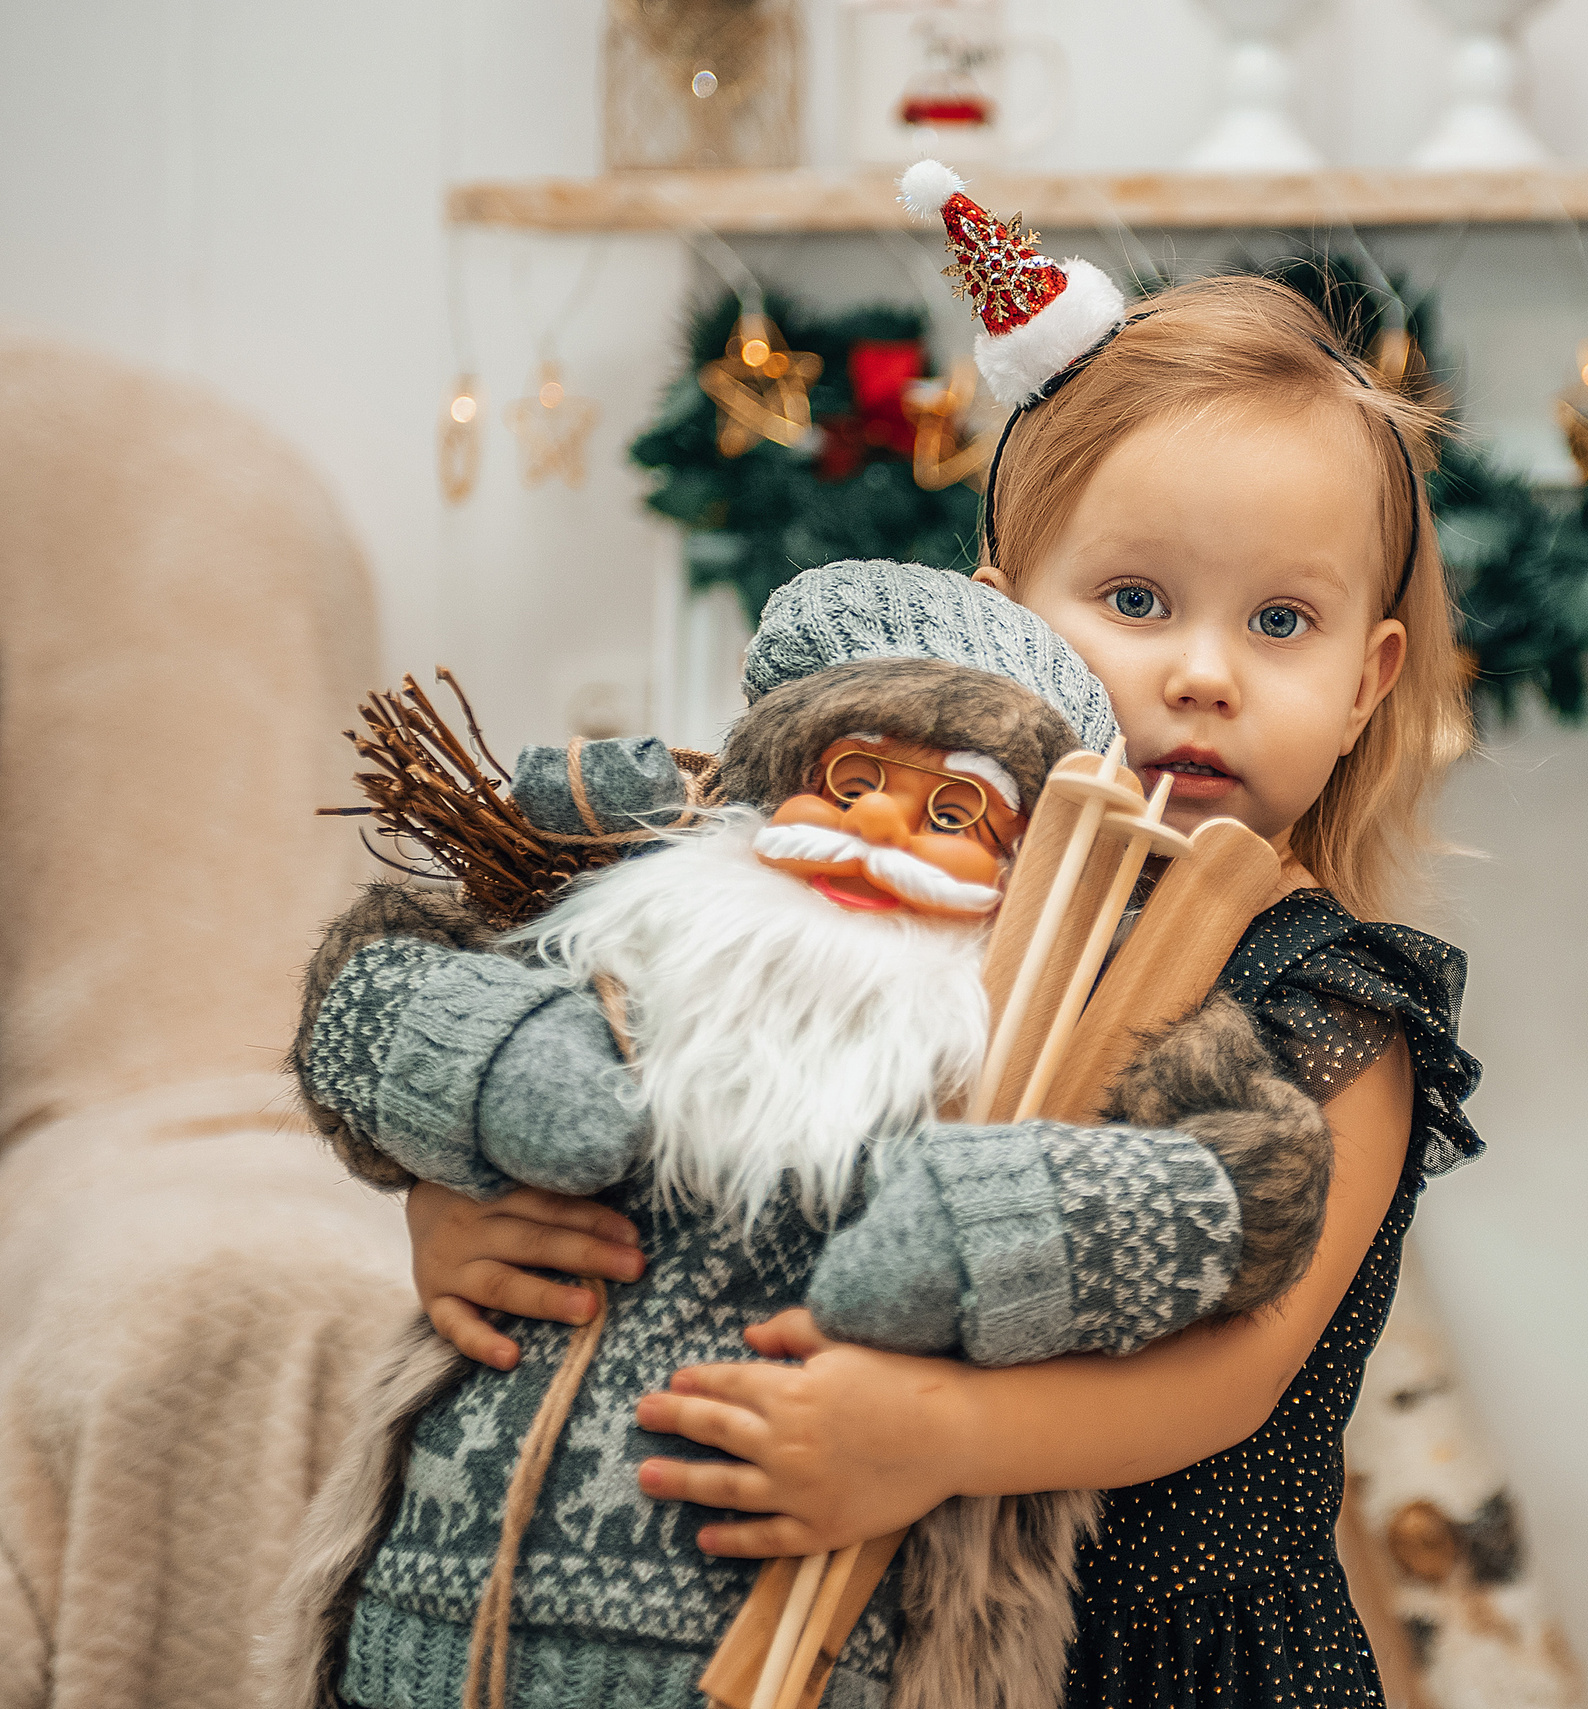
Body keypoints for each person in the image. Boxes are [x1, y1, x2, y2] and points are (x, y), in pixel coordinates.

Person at [406, 169, 1484, 1708]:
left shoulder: (1327, 1000)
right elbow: (663, 1105)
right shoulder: (892, 897)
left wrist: (930, 1440)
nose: (1201, 674)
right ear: (1004, 627)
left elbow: (1241, 1371)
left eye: (1281, 624)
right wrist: (460, 1212)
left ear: (1374, 677)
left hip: (1163, 1660)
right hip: (887, 1636)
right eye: (1134, 597)